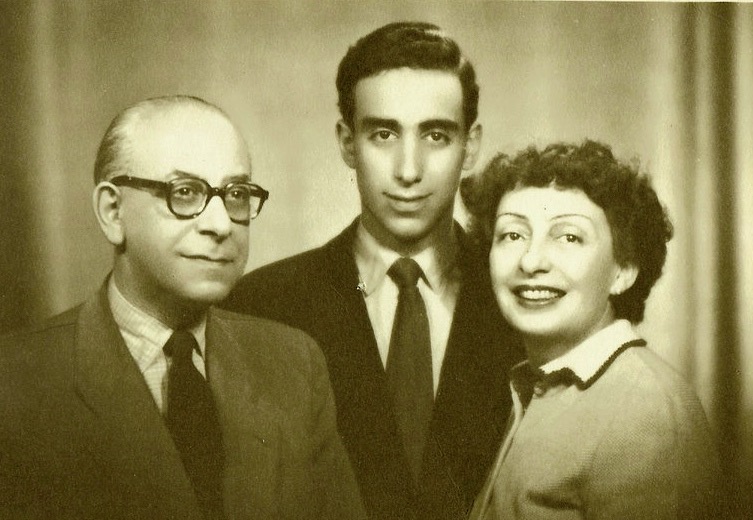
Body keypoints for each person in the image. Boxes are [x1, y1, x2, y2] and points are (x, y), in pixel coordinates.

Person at [0, 95, 366, 520]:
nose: (221, 224)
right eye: (185, 192)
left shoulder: (294, 362)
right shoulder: (15, 383)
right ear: (113, 212)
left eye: (236, 194)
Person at [222, 22, 522, 520]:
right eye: (383, 134)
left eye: (436, 135)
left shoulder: (525, 304)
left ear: (470, 147)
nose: (408, 170)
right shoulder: (261, 304)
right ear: (347, 143)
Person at [460, 140, 722, 519]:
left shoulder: (646, 414)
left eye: (569, 237)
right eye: (512, 235)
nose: (531, 261)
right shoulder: (534, 385)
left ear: (623, 270)